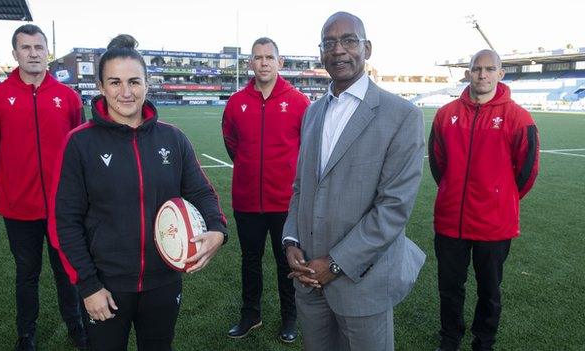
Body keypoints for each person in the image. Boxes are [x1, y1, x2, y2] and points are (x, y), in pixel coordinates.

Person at [48, 34, 228, 351]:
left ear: (147, 84)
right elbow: (65, 221)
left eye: (134, 81)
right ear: (101, 87)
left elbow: (201, 191)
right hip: (106, 283)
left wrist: (217, 229)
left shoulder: (173, 138)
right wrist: (88, 286)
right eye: (115, 82)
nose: (126, 92)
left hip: (163, 279)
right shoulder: (80, 143)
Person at [282, 12, 426, 351]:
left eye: (349, 40)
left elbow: (393, 209)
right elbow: (301, 187)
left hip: (363, 282)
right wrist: (291, 241)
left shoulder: (402, 115)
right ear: (320, 53)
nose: (338, 51)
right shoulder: (313, 113)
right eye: (329, 43)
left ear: (367, 48)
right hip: (309, 280)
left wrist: (334, 264)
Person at [0, 24, 87, 351]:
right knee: (26, 274)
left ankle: (76, 326)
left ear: (47, 52)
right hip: (18, 208)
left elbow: (79, 149)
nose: (33, 53)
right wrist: (12, 184)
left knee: (67, 273)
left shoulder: (67, 97)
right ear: (15, 54)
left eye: (39, 47)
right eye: (26, 48)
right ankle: (26, 334)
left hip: (62, 208)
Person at [428, 49, 539, 351]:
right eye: (477, 68)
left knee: (489, 291)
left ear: (501, 74)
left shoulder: (518, 118)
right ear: (468, 72)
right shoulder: (445, 114)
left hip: (494, 224)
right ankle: (450, 339)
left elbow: (526, 172)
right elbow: (439, 164)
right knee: (450, 288)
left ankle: (484, 342)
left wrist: (500, 198)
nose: (482, 75)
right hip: (451, 221)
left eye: (490, 69)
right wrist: (452, 190)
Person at [222, 37, 310, 342]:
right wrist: (250, 169)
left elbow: (307, 148)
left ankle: (290, 317)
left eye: (269, 57)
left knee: (288, 261)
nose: (263, 63)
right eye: (257, 57)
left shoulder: (299, 102)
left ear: (279, 62)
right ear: (250, 63)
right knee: (250, 260)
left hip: (285, 202)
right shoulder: (236, 102)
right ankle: (251, 314)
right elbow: (232, 143)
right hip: (246, 200)